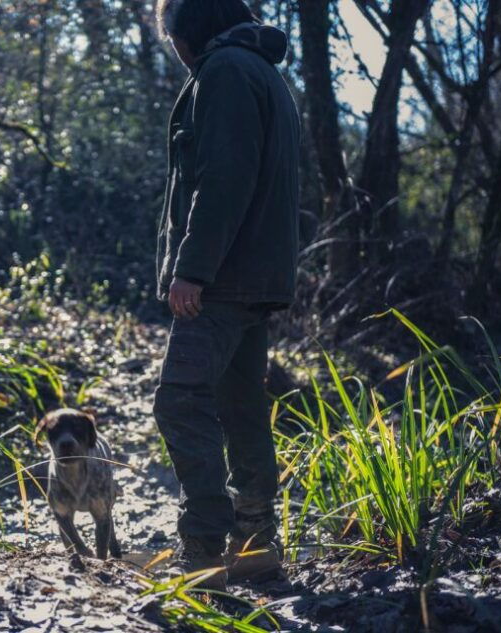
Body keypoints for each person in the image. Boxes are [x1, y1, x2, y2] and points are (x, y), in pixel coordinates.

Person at [153, 0, 300, 590]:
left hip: (223, 279)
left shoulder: (226, 72)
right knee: (240, 406)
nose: (172, 48)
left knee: (180, 401)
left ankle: (204, 550)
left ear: (189, 30)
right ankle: (256, 542)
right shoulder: (260, 70)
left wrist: (192, 269)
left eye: (170, 36)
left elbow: (225, 178)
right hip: (253, 278)